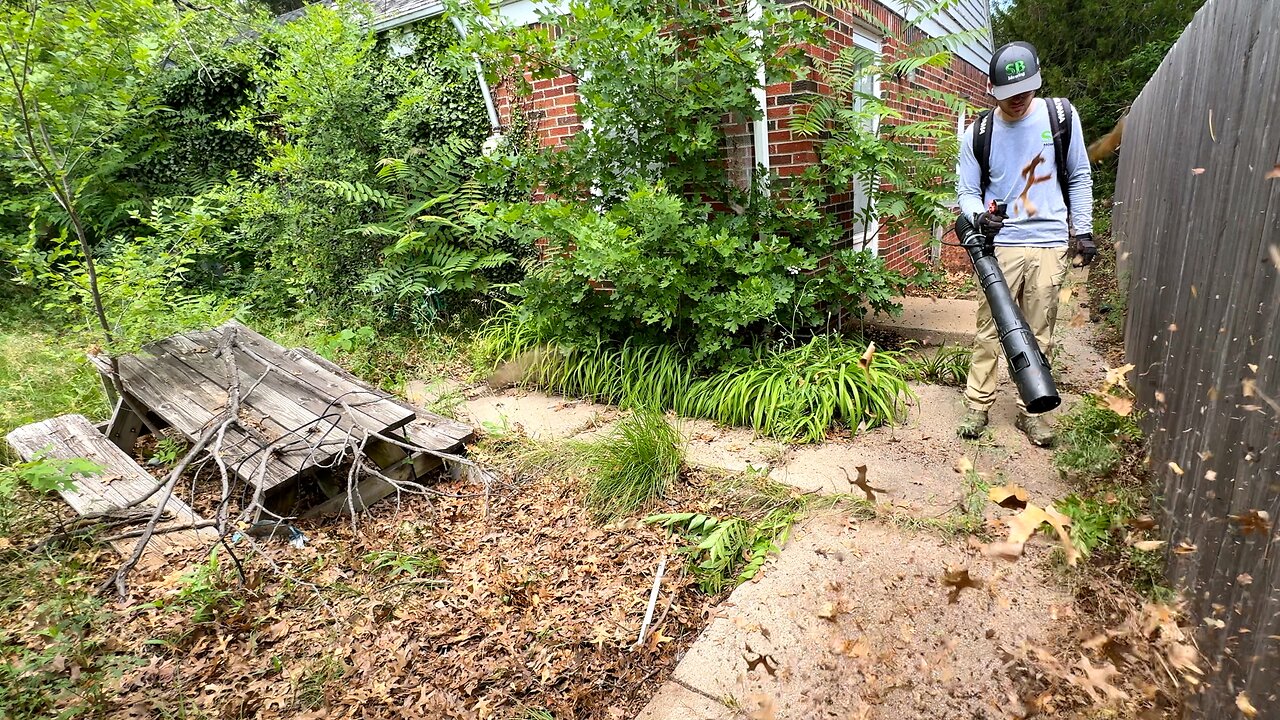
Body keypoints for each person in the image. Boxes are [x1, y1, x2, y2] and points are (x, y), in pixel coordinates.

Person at [955, 41, 1094, 446]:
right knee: (989, 328)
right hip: (1001, 247)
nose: (1017, 100)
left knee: (1039, 331)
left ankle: (1031, 410)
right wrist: (978, 215)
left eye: (1025, 91)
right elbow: (965, 192)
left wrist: (1081, 229)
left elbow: (1079, 175)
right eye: (1007, 94)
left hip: (1050, 242)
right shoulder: (978, 133)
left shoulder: (1061, 117)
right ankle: (977, 405)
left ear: (1037, 83)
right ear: (991, 89)